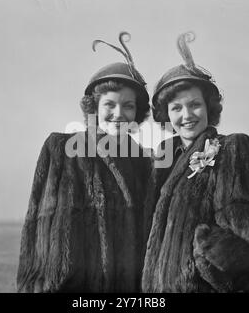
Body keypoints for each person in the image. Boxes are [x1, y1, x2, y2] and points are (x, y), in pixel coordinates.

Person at [17, 32, 152, 292]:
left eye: (128, 106)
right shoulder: (63, 149)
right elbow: (44, 234)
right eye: (109, 104)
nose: (118, 114)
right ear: (94, 107)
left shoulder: (143, 163)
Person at [142, 32, 249, 293]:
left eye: (194, 105)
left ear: (209, 107)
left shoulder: (233, 148)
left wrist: (206, 253)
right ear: (167, 114)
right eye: (176, 108)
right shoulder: (165, 155)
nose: (186, 115)